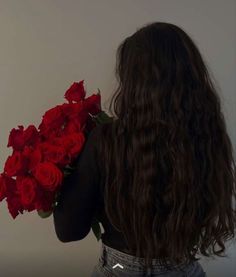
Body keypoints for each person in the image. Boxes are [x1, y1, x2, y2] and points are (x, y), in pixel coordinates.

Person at [53, 22, 236, 277]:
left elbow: (69, 231)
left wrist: (61, 169)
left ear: (134, 82)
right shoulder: (208, 140)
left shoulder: (107, 141)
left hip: (118, 270)